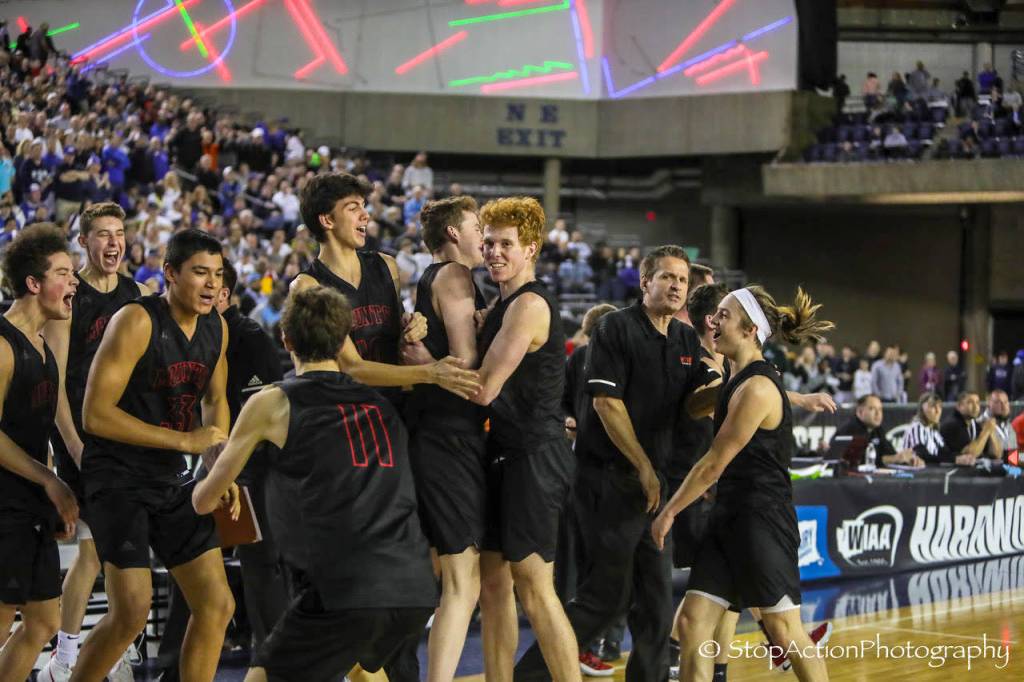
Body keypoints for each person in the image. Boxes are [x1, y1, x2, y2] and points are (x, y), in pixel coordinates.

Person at [192, 286, 437, 682]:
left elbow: (204, 500)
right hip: (414, 587)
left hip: (345, 588)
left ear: (285, 340)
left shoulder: (273, 401)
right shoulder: (380, 405)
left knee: (262, 677)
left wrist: (203, 468)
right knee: (361, 667)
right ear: (344, 342)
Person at [70, 230, 237, 682]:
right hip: (117, 478)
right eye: (200, 272)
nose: (210, 284)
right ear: (170, 274)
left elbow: (215, 404)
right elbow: (95, 414)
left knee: (217, 604)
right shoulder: (137, 320)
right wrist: (185, 442)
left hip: (171, 479)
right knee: (131, 613)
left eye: (217, 274)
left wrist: (221, 468)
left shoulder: (217, 327)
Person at [651, 286, 834, 682]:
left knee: (785, 632)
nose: (712, 322)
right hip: (728, 519)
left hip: (761, 521)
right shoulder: (736, 380)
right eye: (714, 314)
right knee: (693, 624)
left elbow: (713, 463)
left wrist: (669, 511)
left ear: (750, 329)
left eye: (723, 316)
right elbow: (698, 405)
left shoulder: (757, 387)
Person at [459, 197, 579, 682]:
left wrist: (423, 365)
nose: (493, 252)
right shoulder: (504, 305)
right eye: (487, 243)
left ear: (530, 248)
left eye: (506, 244)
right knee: (493, 586)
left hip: (534, 457)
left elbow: (485, 388)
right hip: (504, 455)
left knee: (534, 587)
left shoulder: (529, 305)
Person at [403, 196, 518, 682]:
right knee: (460, 583)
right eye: (477, 227)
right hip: (447, 439)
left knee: (459, 581)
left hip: (448, 438)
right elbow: (467, 368)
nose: (483, 237)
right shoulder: (453, 275)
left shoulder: (439, 280)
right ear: (453, 233)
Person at [39, 203, 149, 682]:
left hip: (125, 436)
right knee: (91, 547)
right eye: (103, 234)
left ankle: (100, 647)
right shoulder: (70, 297)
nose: (113, 243)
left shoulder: (141, 295)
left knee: (105, 550)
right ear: (83, 241)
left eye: (119, 234)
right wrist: (77, 449)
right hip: (81, 437)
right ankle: (68, 656)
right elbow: (57, 384)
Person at [291, 172, 479, 403]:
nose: (365, 215)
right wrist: (430, 373)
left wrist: (413, 327)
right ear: (327, 220)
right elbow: (351, 368)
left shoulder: (386, 265)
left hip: (394, 407)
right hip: (346, 413)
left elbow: (399, 337)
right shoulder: (308, 285)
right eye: (353, 208)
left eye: (363, 205)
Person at [0, 224, 80, 682]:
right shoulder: (5, 344)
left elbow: (36, 435)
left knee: (45, 621)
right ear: (34, 284)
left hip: (29, 502)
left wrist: (51, 493)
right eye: (64, 273)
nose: (73, 283)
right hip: (4, 505)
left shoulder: (43, 345)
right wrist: (50, 481)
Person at [831, 395, 923, 467]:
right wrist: (894, 458)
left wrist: (907, 459)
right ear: (860, 412)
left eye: (880, 409)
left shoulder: (877, 429)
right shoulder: (850, 429)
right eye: (872, 409)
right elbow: (859, 460)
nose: (878, 413)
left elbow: (891, 453)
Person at [938, 391, 999, 467]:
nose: (975, 406)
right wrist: (986, 431)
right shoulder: (952, 424)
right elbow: (969, 455)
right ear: (959, 406)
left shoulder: (973, 423)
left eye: (977, 402)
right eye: (970, 402)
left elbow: (996, 454)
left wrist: (991, 431)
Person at [900, 392, 951, 465]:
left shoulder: (933, 430)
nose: (938, 411)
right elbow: (922, 454)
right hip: (915, 473)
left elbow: (945, 452)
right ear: (922, 409)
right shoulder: (917, 427)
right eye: (933, 406)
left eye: (940, 406)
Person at [980, 389, 1018, 462]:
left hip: (1011, 468)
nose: (1004, 406)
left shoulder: (1009, 426)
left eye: (1006, 402)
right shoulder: (980, 424)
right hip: (991, 470)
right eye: (998, 402)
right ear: (989, 404)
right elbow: (994, 455)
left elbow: (1013, 452)